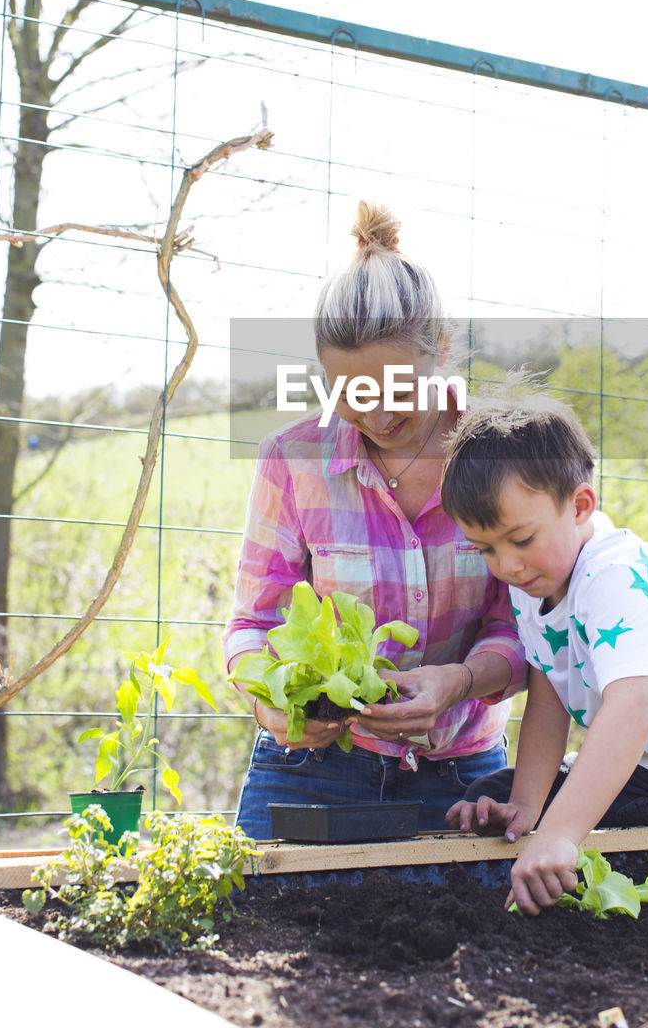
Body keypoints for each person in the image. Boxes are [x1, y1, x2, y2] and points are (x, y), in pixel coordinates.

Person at [223, 202, 527, 838]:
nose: (377, 417)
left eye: (395, 391)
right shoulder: (292, 459)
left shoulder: (504, 455)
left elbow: (524, 626)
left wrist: (459, 681)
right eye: (351, 396)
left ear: (440, 348)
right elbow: (254, 622)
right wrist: (267, 701)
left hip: (462, 779)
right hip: (311, 767)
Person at [440, 390, 648, 916]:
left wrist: (559, 833)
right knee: (491, 795)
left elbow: (630, 710)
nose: (508, 566)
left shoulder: (613, 578)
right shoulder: (538, 577)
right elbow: (547, 700)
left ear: (580, 505)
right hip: (645, 764)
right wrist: (527, 806)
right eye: (487, 549)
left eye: (520, 539)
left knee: (559, 825)